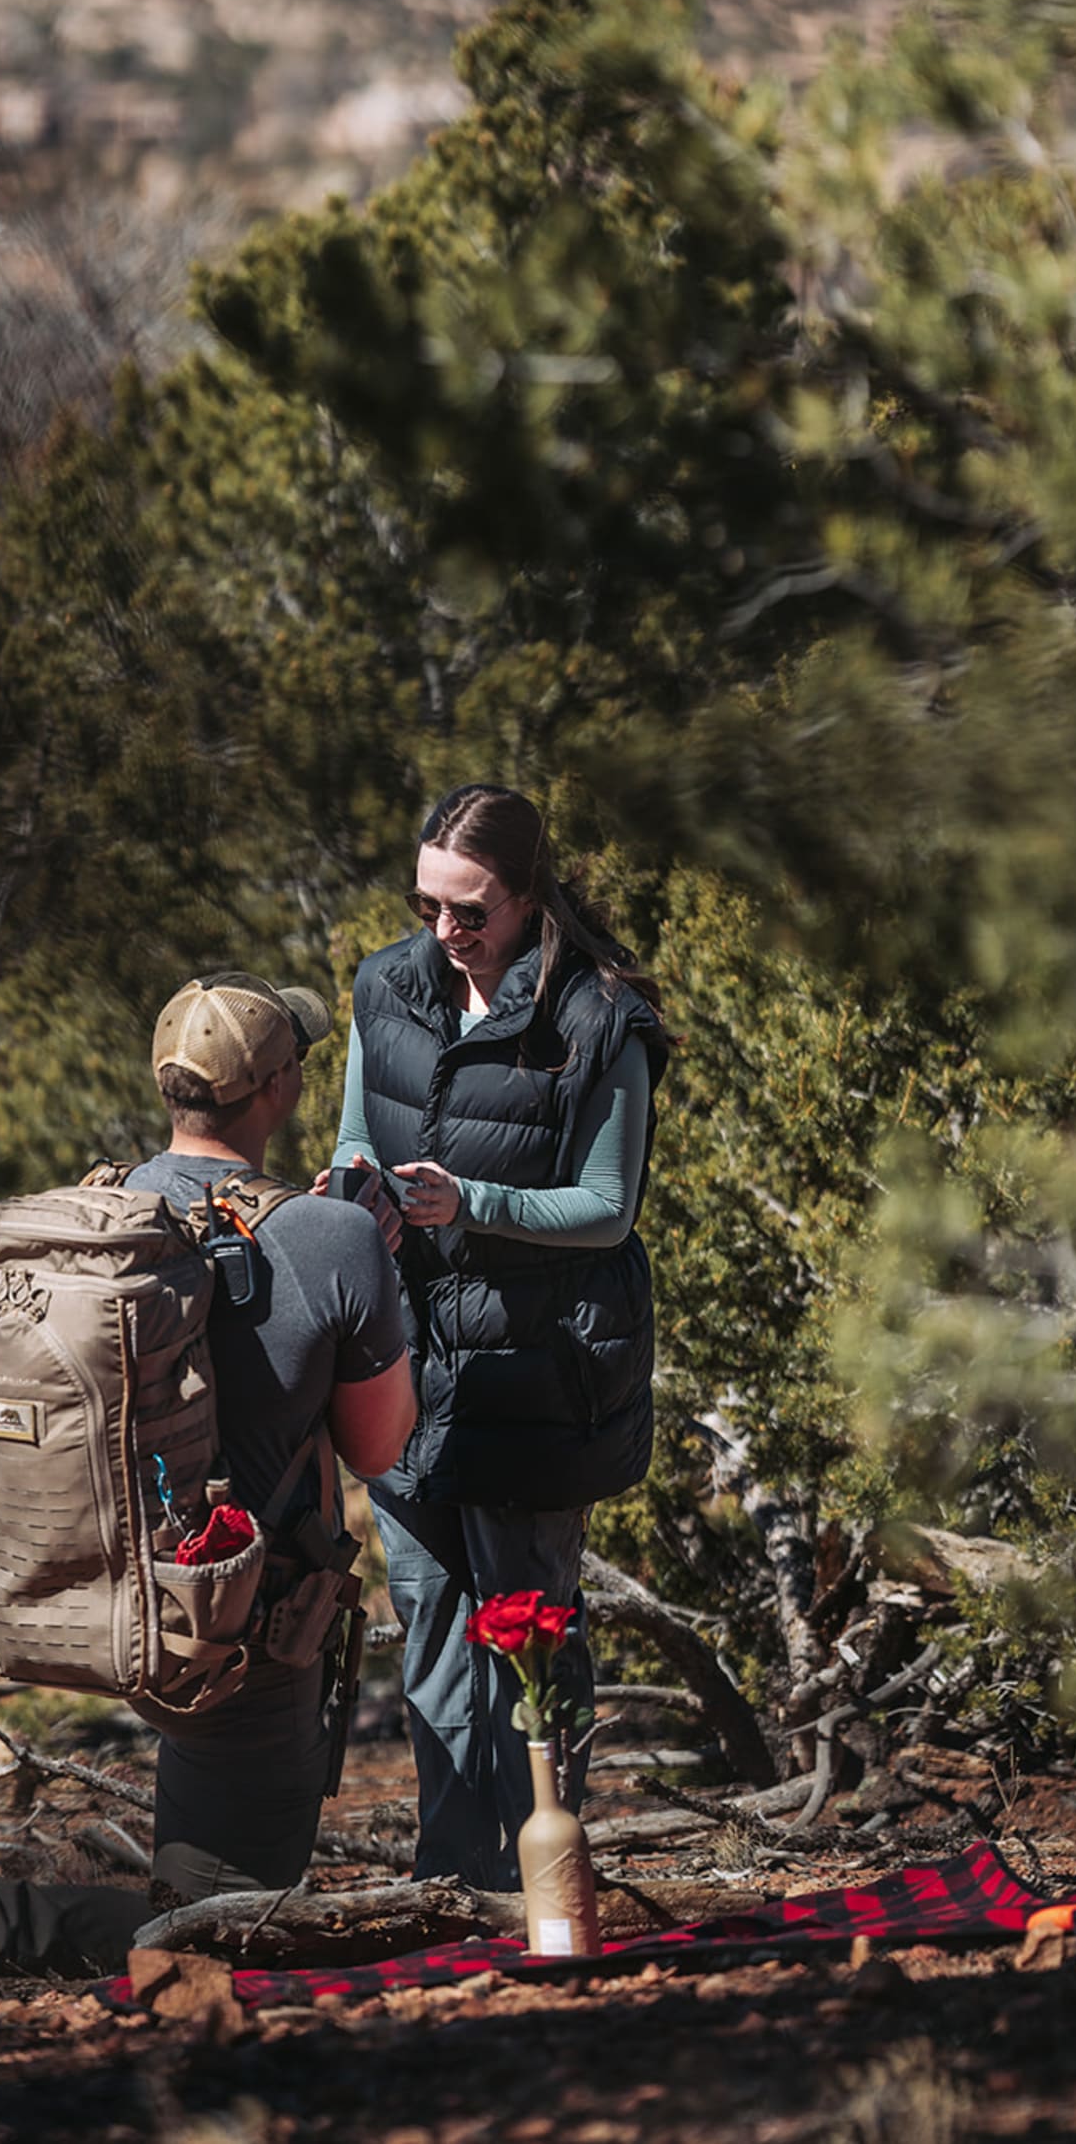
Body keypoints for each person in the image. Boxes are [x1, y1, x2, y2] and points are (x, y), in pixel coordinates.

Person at [0, 971, 413, 2009]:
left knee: (224, 1892)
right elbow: (381, 1449)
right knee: (234, 1938)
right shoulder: (330, 1236)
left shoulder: (96, 1211)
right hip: (241, 1634)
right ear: (282, 1086)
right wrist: (373, 1275)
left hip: (101, 1598)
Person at [330, 782, 668, 1889]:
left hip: (538, 1365)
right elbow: (348, 1144)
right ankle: (451, 1877)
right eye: (428, 903)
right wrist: (357, 1200)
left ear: (527, 898)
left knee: (528, 1633)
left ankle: (543, 1881)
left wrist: (470, 1203)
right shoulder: (386, 986)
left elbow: (609, 1208)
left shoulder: (598, 1017)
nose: (445, 932)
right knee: (425, 1626)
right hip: (408, 1365)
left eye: (470, 910)